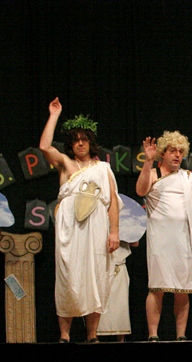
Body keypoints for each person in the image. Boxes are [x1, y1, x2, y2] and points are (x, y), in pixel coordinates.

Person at [39, 97, 122, 343]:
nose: (80, 144)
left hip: (97, 226)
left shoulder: (103, 168)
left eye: (84, 139)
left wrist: (114, 232)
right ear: (71, 145)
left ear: (91, 142)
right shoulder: (66, 164)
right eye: (75, 140)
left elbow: (112, 202)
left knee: (96, 275)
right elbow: (44, 146)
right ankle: (64, 335)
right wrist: (54, 115)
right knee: (69, 275)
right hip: (70, 228)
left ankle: (92, 334)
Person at [136, 131, 192, 341]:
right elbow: (140, 191)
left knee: (183, 289)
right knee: (156, 287)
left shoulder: (189, 177)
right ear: (162, 153)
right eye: (172, 151)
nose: (177, 155)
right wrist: (148, 162)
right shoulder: (154, 174)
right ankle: (153, 335)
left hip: (184, 240)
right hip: (160, 241)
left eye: (180, 151)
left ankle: (181, 335)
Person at [96, 241, 138, 342]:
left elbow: (135, 242)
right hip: (99, 263)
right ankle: (93, 336)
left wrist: (123, 235)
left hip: (119, 264)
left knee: (120, 304)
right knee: (98, 303)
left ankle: (121, 339)